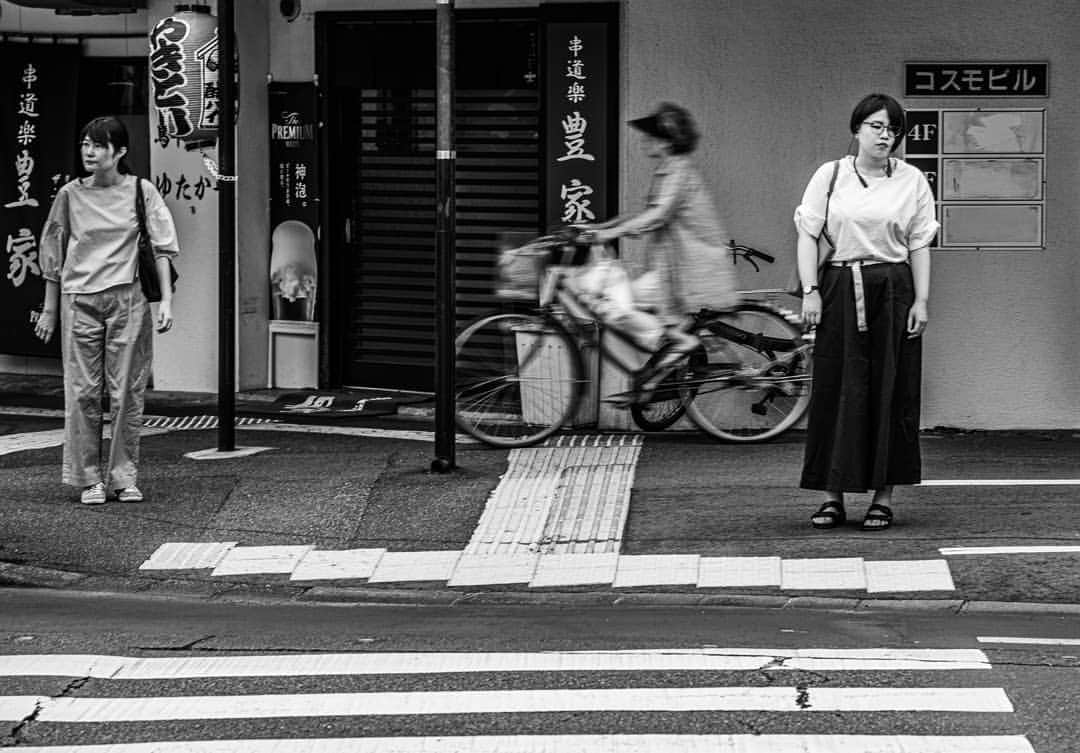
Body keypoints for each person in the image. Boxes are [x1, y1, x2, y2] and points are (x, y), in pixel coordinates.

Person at [795, 93, 938, 532]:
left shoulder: (912, 180)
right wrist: (811, 291)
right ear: (857, 129)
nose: (885, 135)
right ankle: (831, 495)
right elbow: (807, 234)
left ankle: (883, 496)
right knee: (837, 386)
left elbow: (918, 244)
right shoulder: (830, 174)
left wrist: (921, 300)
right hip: (839, 286)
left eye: (893, 129)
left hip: (893, 289)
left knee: (892, 387)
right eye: (876, 126)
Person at [33, 116, 179, 506]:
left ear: (120, 152)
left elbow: (162, 248)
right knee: (81, 392)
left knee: (126, 393)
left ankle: (123, 478)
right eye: (85, 144)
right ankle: (88, 479)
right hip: (78, 299)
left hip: (127, 298)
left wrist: (165, 300)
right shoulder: (69, 194)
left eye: (98, 145)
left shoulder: (140, 191)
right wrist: (49, 309)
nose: (89, 152)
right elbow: (53, 252)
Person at [576, 102, 738, 372]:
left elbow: (659, 214)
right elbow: (645, 214)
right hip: (670, 268)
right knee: (621, 303)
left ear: (666, 142)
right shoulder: (668, 170)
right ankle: (670, 349)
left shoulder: (680, 171)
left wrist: (610, 233)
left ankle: (675, 345)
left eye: (650, 136)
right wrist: (600, 228)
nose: (643, 141)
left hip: (685, 270)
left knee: (614, 302)